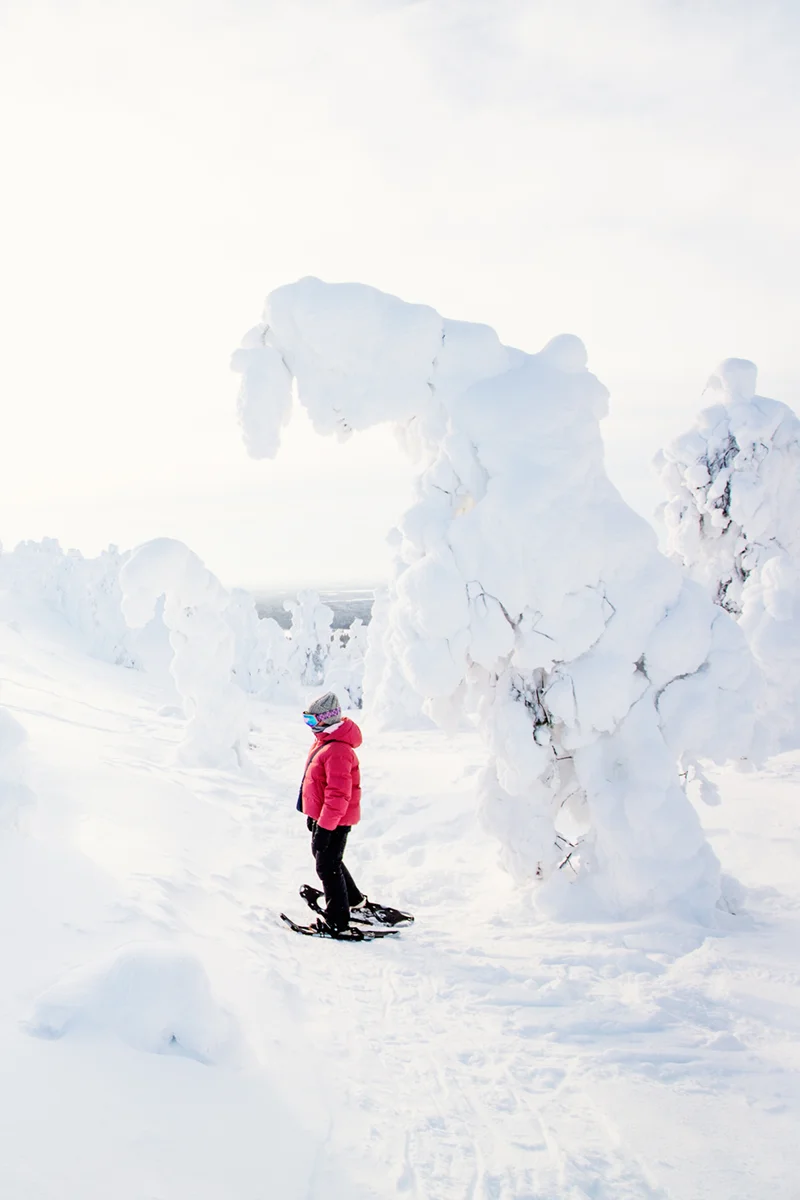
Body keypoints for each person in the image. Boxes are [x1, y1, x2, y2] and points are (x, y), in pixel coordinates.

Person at [299, 691, 366, 933]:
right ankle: (354, 900)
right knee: (328, 858)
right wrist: (313, 814)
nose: (309, 726)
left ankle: (338, 919)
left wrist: (325, 827)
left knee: (327, 866)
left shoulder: (338, 750)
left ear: (326, 719)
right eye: (306, 720)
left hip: (334, 820)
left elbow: (339, 795)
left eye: (312, 720)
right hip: (327, 817)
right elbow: (319, 785)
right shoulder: (325, 742)